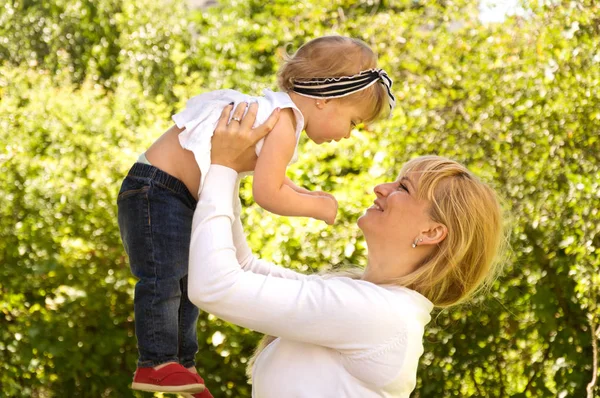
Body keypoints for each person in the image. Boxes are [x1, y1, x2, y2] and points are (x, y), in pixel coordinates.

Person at [118, 35, 394, 396]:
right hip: (157, 189)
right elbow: (267, 194)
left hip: (171, 191)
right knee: (164, 278)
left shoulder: (280, 117)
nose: (348, 136)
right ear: (326, 100)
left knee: (186, 282)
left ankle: (181, 365)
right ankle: (155, 361)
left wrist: (306, 192)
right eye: (354, 122)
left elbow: (276, 179)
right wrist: (316, 207)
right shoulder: (281, 123)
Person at [186, 106, 506, 397]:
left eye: (403, 188)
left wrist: (223, 166)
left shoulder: (381, 314)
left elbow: (216, 287)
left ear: (432, 232)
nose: (381, 188)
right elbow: (243, 267)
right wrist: (234, 169)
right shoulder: (365, 301)